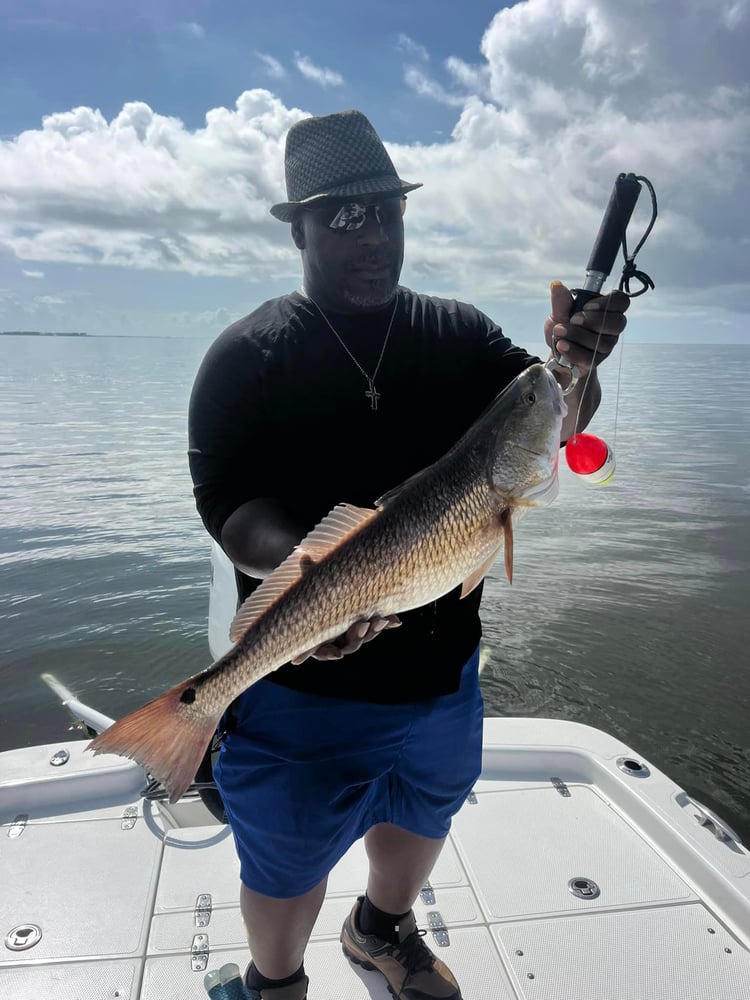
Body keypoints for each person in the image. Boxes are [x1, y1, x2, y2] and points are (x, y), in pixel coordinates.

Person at [188, 110, 628, 1000]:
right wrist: (310, 579)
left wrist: (581, 364)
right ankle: (274, 983)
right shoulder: (247, 358)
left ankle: (380, 931)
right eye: (345, 216)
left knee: (425, 808)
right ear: (299, 228)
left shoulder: (460, 335)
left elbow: (551, 419)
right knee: (284, 859)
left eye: (385, 211)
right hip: (295, 688)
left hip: (439, 674)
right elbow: (228, 501)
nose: (372, 234)